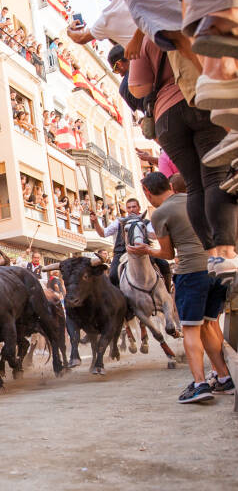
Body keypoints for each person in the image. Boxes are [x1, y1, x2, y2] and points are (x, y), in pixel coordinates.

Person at [124, 36, 238, 279]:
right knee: (215, 178)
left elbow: (137, 87)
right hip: (200, 98)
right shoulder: (187, 19)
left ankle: (213, 255)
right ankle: (227, 253)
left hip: (166, 116)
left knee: (195, 186)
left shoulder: (145, 36)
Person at [128, 172, 233, 402]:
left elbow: (167, 253)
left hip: (191, 273)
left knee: (191, 329)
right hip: (217, 269)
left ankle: (200, 384)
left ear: (147, 192)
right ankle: (224, 378)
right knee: (209, 324)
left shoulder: (161, 213)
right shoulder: (198, 200)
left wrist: (146, 250)